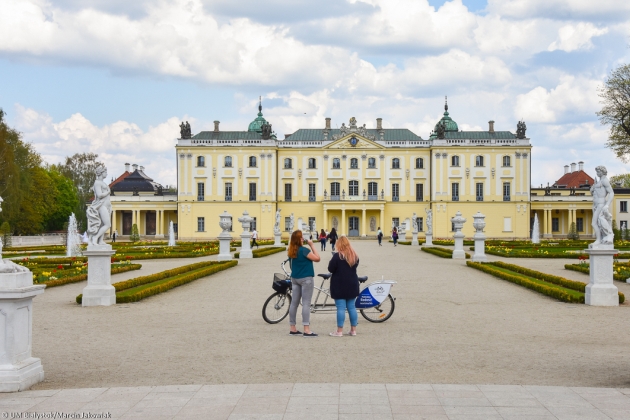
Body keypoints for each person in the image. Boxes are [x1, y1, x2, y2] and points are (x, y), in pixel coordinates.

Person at [288, 230, 321, 337]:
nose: (303, 239)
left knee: (294, 303)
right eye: (301, 237)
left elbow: (291, 266)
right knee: (306, 303)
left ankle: (292, 328)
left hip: (295, 279)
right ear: (298, 239)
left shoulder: (291, 250)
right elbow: (317, 258)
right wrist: (312, 245)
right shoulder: (304, 250)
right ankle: (306, 329)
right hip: (306, 279)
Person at [328, 236, 360, 337]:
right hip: (352, 283)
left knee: (341, 308)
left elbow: (330, 269)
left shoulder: (337, 256)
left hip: (339, 284)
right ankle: (353, 330)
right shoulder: (354, 256)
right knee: (352, 307)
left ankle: (339, 331)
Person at [86, 166, 112, 246]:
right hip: (101, 205)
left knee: (102, 224)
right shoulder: (97, 183)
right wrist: (108, 192)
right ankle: (95, 238)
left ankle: (100, 241)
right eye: (105, 172)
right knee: (108, 224)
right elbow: (99, 195)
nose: (106, 174)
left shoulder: (103, 183)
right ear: (101, 173)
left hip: (106, 206)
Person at [590, 165, 614, 246]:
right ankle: (600, 239)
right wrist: (593, 189)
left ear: (603, 172)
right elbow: (594, 193)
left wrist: (607, 205)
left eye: (598, 171)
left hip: (601, 204)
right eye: (596, 171)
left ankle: (599, 240)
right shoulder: (599, 181)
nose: (597, 173)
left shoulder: (604, 181)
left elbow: (611, 193)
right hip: (596, 205)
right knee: (597, 223)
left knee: (594, 223)